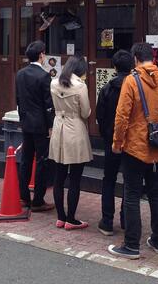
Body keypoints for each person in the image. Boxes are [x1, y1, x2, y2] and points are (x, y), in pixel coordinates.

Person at [108, 42, 158, 259]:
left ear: (135, 58)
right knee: (156, 193)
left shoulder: (131, 80)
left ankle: (131, 245)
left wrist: (117, 143)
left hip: (135, 146)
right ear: (152, 58)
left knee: (132, 194)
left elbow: (121, 116)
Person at [49, 55, 93, 229]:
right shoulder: (80, 86)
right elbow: (85, 112)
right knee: (75, 178)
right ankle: (71, 219)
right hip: (75, 130)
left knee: (58, 177)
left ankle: (60, 217)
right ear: (80, 70)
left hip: (58, 129)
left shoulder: (54, 83)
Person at [96, 49, 133, 236]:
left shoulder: (107, 89)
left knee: (109, 179)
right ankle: (126, 219)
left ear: (114, 67)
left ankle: (107, 221)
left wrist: (106, 135)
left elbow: (100, 116)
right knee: (129, 180)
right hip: (131, 141)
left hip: (111, 141)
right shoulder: (136, 88)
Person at [15, 40, 55, 212]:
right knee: (42, 161)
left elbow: (18, 99)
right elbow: (48, 104)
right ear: (41, 55)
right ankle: (38, 199)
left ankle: (24, 197)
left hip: (26, 122)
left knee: (25, 159)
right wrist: (50, 125)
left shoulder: (20, 74)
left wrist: (22, 118)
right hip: (40, 124)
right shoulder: (44, 76)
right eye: (44, 53)